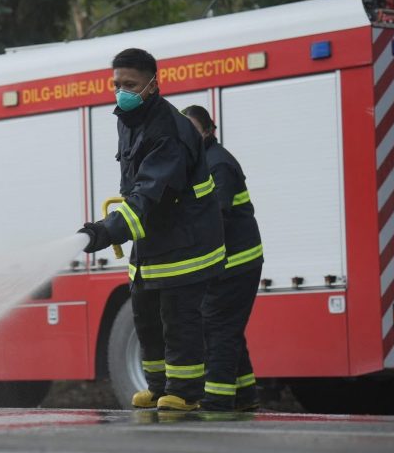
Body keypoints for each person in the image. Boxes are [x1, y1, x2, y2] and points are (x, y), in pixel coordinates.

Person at [79, 48, 224, 411]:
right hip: (152, 243)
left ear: (153, 84)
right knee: (146, 318)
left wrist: (107, 230)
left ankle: (185, 393)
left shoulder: (170, 130)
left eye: (130, 84)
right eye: (117, 84)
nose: (121, 92)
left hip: (185, 246)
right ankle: (158, 387)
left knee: (178, 319)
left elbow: (149, 194)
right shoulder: (129, 121)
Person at [182, 105, 264, 411]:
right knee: (226, 328)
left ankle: (217, 399)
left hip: (237, 264)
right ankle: (244, 396)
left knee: (217, 327)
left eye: (192, 129)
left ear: (208, 131)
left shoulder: (218, 164)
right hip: (229, 263)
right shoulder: (205, 161)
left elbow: (216, 213)